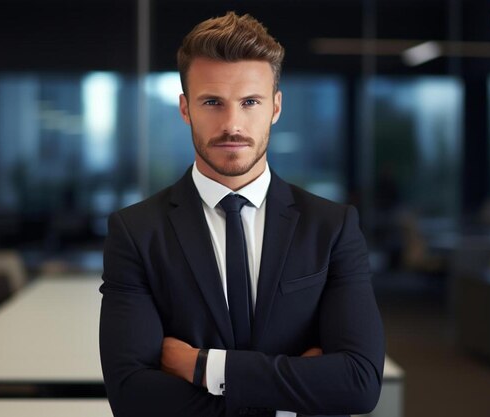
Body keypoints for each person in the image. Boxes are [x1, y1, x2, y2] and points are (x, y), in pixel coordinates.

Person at [99, 11, 384, 417]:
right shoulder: (136, 232)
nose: (232, 124)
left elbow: (358, 384)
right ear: (185, 108)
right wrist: (293, 393)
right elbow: (131, 396)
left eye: (250, 102)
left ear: (276, 107)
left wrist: (202, 366)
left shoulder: (332, 227)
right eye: (212, 102)